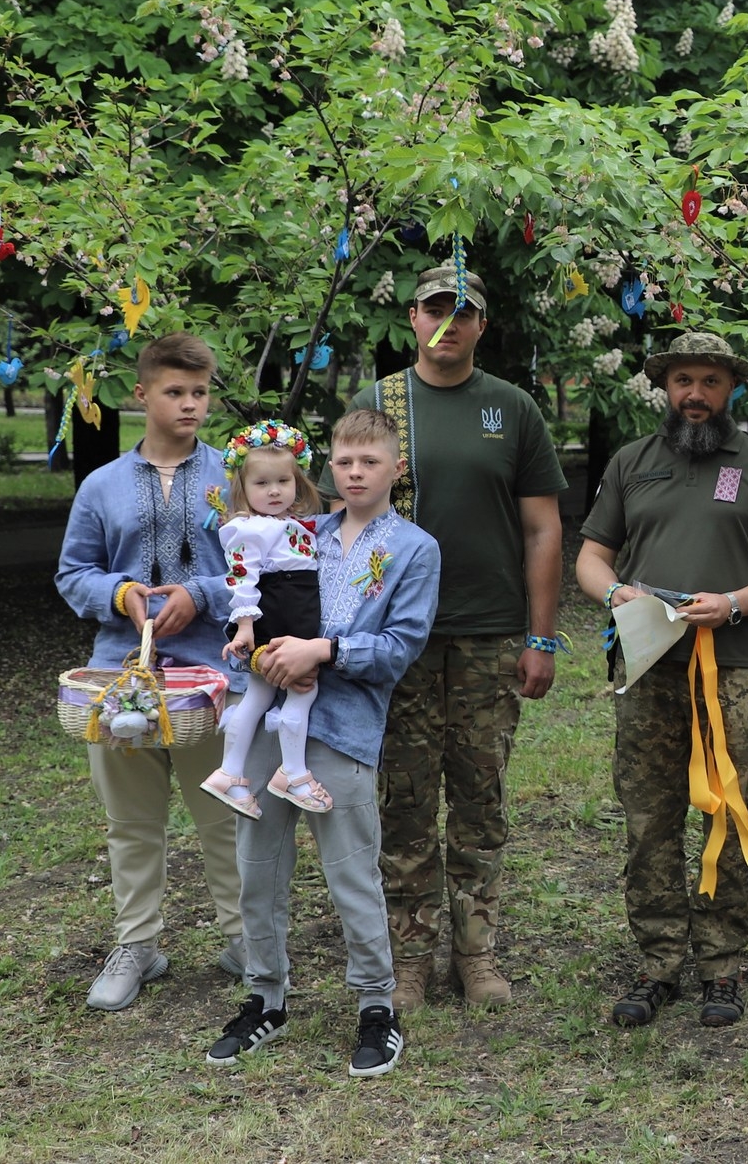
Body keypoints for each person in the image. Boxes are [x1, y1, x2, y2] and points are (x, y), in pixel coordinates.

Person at [327, 264, 567, 1010]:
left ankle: (475, 950)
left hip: (490, 633)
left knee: (479, 794)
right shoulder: (379, 403)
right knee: (401, 795)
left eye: (464, 311)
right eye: (436, 308)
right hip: (394, 637)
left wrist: (543, 636)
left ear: (482, 325)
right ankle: (407, 952)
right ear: (412, 316)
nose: (449, 323)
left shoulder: (513, 407)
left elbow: (542, 527)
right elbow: (344, 517)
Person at [577, 330, 748, 1030]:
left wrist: (736, 602)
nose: (697, 395)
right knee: (648, 811)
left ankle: (722, 963)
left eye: (711, 382)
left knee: (729, 805)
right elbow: (592, 555)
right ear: (665, 387)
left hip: (734, 662)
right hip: (649, 662)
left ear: (730, 388)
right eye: (684, 381)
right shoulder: (631, 462)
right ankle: (657, 960)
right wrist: (614, 592)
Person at [204, 408, 441, 1078]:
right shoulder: (300, 531)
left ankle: (376, 1006)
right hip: (270, 709)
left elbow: (399, 647)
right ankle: (265, 996)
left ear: (398, 468)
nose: (356, 471)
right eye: (344, 460)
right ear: (328, 467)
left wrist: (323, 650)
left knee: (351, 871)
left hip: (341, 726)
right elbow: (243, 579)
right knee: (257, 865)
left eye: (370, 461)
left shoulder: (413, 549)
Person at [56, 331, 248, 1011]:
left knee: (223, 813)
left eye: (200, 392)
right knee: (132, 822)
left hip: (211, 676)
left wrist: (204, 594)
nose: (191, 403)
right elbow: (72, 572)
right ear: (140, 395)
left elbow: (258, 566)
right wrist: (120, 593)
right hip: (120, 679)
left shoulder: (233, 476)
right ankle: (137, 942)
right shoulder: (101, 486)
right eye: (175, 392)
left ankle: (245, 939)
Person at [201, 421, 330, 818]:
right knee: (303, 690)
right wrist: (245, 627)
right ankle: (291, 771)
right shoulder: (247, 528)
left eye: (282, 481)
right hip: (280, 613)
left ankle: (229, 772)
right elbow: (241, 578)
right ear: (242, 488)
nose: (274, 491)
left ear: (297, 481)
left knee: (258, 694)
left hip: (292, 609)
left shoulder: (286, 523)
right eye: (261, 484)